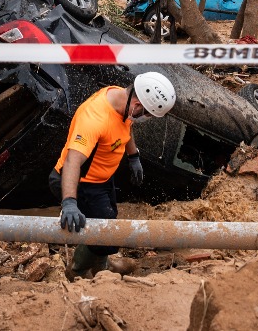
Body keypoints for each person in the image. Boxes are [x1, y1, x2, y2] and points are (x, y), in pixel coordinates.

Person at [54, 72, 176, 278]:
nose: (143, 118)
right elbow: (72, 161)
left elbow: (125, 127)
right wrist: (69, 202)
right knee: (106, 235)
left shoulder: (120, 99)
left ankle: (101, 265)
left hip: (102, 179)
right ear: (137, 105)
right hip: (81, 183)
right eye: (145, 114)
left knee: (110, 222)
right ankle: (77, 270)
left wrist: (133, 156)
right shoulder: (94, 119)